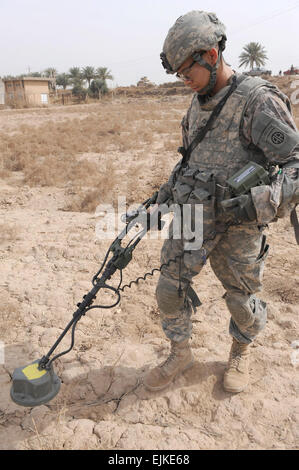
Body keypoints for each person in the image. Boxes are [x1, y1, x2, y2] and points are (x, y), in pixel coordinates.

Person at [143, 11, 299, 394]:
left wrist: (261, 201)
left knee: (242, 301)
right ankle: (180, 353)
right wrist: (160, 201)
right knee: (168, 288)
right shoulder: (197, 104)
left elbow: (295, 163)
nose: (185, 82)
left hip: (240, 225)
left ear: (211, 56)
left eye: (187, 72)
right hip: (194, 216)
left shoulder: (258, 101)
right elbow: (188, 162)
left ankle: (240, 352)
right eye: (179, 75)